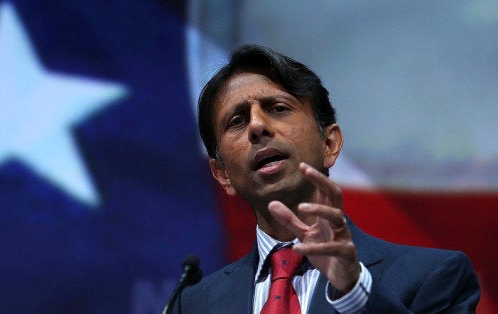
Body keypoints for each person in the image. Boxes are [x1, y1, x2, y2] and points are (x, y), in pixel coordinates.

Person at [175, 44, 480, 313]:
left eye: (278, 109)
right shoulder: (193, 304)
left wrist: (353, 293)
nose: (257, 125)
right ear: (223, 174)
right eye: (237, 120)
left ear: (329, 144)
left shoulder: (435, 277)